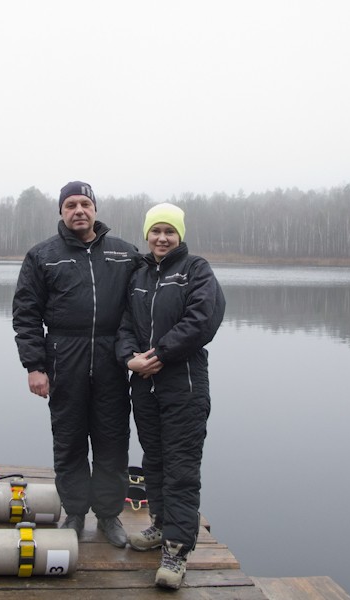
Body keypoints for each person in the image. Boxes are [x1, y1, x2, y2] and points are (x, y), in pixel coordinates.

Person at [12, 181, 139, 548]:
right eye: (71, 205)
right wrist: (34, 366)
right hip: (64, 356)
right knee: (68, 440)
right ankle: (76, 511)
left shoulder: (125, 253)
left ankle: (109, 515)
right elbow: (26, 315)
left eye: (85, 203)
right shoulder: (42, 256)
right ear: (61, 212)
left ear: (96, 210)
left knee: (112, 441)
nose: (79, 210)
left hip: (113, 359)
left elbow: (145, 305)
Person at [116, 202, 225, 589]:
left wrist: (160, 354)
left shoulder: (196, 270)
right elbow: (124, 323)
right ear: (147, 234)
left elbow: (203, 320)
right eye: (156, 231)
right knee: (155, 460)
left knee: (180, 469)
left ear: (180, 235)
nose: (162, 238)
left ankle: (177, 553)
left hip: (185, 387)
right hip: (144, 386)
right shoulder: (139, 273)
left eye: (170, 231)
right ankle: (160, 526)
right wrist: (130, 360)